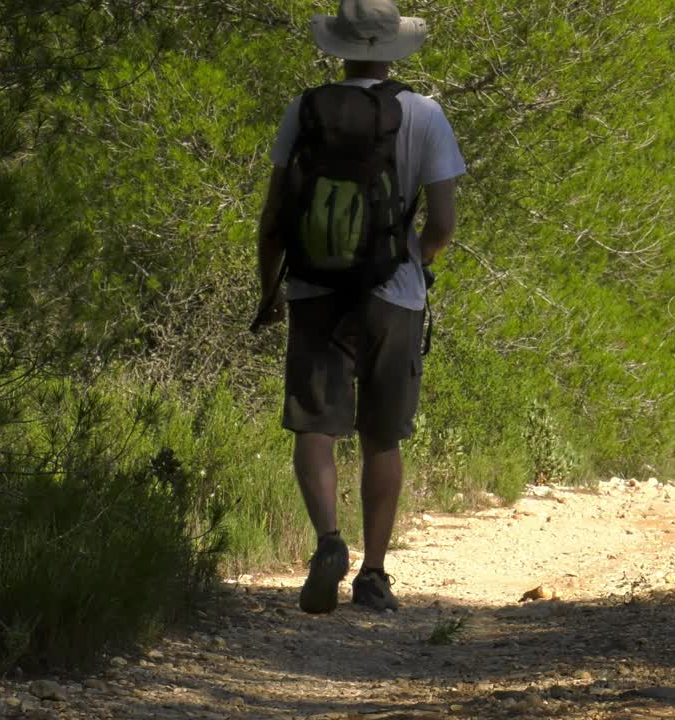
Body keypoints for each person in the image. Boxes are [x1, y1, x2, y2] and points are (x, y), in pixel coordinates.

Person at [254, 0, 465, 613]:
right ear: (393, 46)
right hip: (394, 296)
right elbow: (444, 222)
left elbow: (273, 218)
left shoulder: (306, 109)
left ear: (341, 48)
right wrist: (415, 262)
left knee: (316, 426)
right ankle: (373, 573)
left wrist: (269, 291)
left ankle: (327, 542)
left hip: (315, 289)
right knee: (382, 435)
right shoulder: (424, 114)